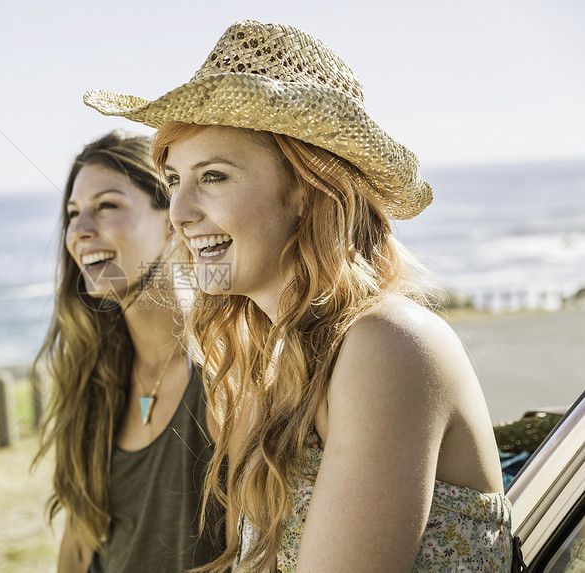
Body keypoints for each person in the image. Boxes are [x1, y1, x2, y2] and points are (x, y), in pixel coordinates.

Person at [84, 20, 513, 573]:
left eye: (213, 176)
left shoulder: (390, 345)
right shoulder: (272, 360)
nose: (181, 213)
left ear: (310, 191)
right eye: (173, 180)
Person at [32, 130, 225, 572]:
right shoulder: (91, 378)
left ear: (170, 218)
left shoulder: (226, 374)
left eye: (107, 206)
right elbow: (79, 547)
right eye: (73, 213)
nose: (79, 231)